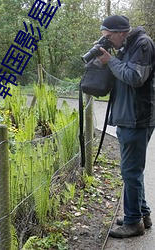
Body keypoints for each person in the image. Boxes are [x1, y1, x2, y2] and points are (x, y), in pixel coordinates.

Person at [97, 15, 155, 238]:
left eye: (109, 37)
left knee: (130, 171)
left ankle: (133, 223)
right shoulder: (126, 46)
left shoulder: (143, 44)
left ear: (121, 32)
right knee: (132, 171)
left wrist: (110, 61)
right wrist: (107, 59)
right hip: (127, 117)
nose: (108, 41)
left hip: (137, 118)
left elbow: (134, 77)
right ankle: (142, 214)